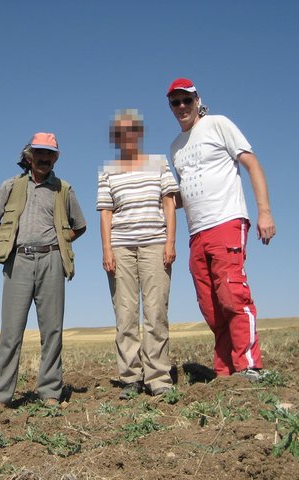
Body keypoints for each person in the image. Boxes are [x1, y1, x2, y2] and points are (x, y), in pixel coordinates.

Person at [166, 78, 276, 381]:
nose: (182, 107)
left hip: (226, 221)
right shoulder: (176, 147)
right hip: (196, 233)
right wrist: (154, 197)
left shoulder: (219, 124)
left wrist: (264, 212)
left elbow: (252, 164)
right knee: (211, 305)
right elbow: (185, 192)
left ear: (197, 100)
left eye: (187, 100)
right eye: (175, 102)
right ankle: (226, 372)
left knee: (232, 295)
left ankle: (250, 366)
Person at [0, 132, 87, 408]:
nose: (44, 158)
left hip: (52, 261)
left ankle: (50, 392)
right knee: (11, 331)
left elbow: (80, 226)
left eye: (49, 154)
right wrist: (10, 240)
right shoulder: (10, 186)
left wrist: (59, 243)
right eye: (39, 153)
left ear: (55, 158)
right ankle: (1, 395)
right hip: (18, 261)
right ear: (29, 156)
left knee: (52, 330)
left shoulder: (64, 189)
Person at [97, 109, 179, 398]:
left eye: (132, 130)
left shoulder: (158, 164)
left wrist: (170, 241)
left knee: (156, 311)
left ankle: (158, 377)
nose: (127, 136)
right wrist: (107, 249)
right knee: (125, 314)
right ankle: (130, 377)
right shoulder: (107, 170)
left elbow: (169, 203)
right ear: (115, 137)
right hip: (121, 247)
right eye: (120, 132)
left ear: (139, 133)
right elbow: (106, 213)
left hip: (155, 243)